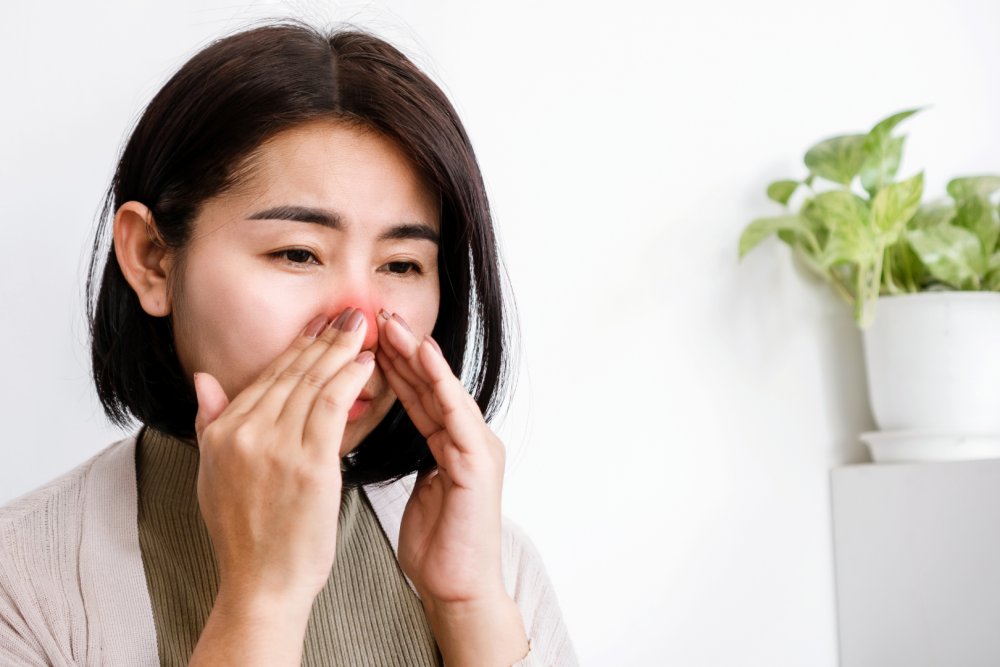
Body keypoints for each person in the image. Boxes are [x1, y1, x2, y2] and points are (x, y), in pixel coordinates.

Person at [0, 22, 576, 667]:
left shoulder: (493, 568)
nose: (358, 326)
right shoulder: (20, 581)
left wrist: (469, 610)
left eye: (402, 265)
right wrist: (260, 601)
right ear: (153, 260)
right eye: (298, 254)